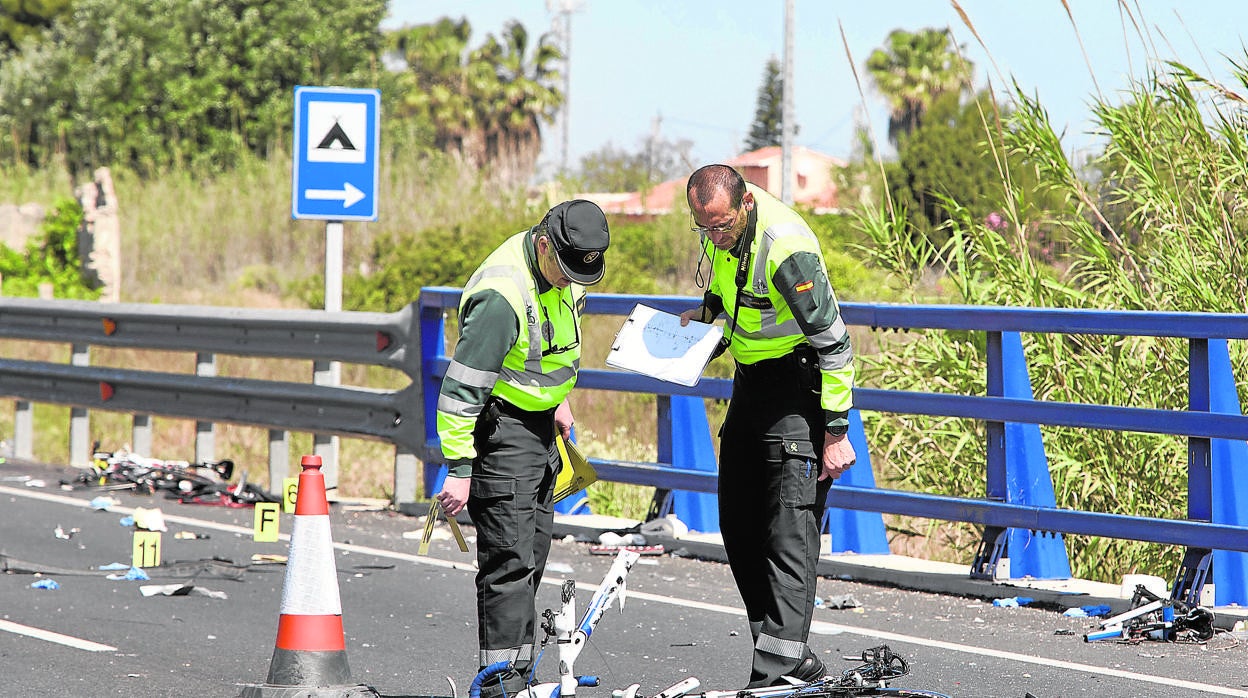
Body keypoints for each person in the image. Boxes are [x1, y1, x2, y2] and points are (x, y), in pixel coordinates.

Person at [679, 164, 856, 687]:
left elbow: (835, 345)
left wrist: (836, 432)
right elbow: (730, 288)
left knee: (789, 533)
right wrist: (706, 311)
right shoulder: (718, 227)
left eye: (722, 226)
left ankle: (775, 671)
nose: (714, 236)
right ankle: (789, 656)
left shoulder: (786, 247)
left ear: (746, 205)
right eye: (704, 227)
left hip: (800, 391)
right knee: (738, 522)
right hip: (750, 385)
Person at [434, 199, 610, 698]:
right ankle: (500, 687)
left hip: (540, 428)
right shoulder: (502, 295)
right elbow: (460, 391)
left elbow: (551, 345)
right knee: (508, 563)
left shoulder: (567, 270)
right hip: (502, 429)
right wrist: (459, 468)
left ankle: (519, 677)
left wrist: (559, 400)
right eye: (564, 269)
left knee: (532, 553)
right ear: (542, 243)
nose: (568, 280)